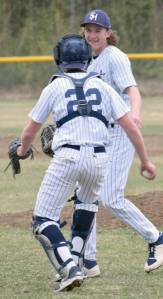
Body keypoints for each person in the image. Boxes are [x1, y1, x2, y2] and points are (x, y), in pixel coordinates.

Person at [16, 33, 156, 293]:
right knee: (86, 203)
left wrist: (22, 150)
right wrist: (145, 160)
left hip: (68, 156)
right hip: (101, 158)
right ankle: (81, 260)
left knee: (42, 220)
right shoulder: (102, 85)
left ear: (59, 58)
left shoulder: (54, 86)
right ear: (86, 58)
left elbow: (29, 131)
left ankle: (69, 267)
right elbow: (131, 128)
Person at [68, 9, 163, 277]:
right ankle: (88, 261)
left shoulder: (115, 57)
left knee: (110, 197)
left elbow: (132, 89)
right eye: (88, 29)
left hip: (120, 133)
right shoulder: (90, 60)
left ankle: (157, 238)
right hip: (100, 135)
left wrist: (135, 112)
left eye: (98, 29)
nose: (93, 34)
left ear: (108, 33)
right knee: (86, 194)